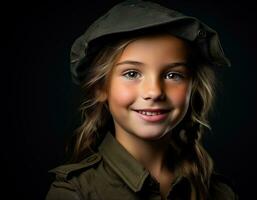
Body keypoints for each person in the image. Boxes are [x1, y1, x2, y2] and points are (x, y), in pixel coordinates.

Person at [46, 0, 237, 199]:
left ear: (192, 87)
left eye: (172, 75)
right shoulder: (74, 192)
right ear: (100, 88)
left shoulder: (220, 193)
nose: (154, 92)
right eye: (131, 74)